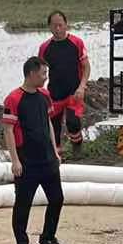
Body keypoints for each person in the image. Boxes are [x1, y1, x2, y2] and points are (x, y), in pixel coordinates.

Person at [3, 56, 66, 244]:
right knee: (23, 205)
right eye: (43, 74)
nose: (46, 78)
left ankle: (48, 237)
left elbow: (48, 121)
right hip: (26, 161)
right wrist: (15, 160)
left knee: (57, 199)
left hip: (47, 159)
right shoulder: (13, 99)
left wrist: (55, 150)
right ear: (31, 74)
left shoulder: (44, 95)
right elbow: (8, 131)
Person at [38, 10, 91, 155]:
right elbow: (39, 72)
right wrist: (39, 91)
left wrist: (82, 86)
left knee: (73, 123)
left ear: (66, 25)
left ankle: (77, 149)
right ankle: (57, 156)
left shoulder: (76, 43)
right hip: (54, 93)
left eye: (60, 25)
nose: (58, 29)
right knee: (53, 128)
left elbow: (86, 67)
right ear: (49, 27)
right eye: (54, 26)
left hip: (74, 92)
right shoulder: (45, 48)